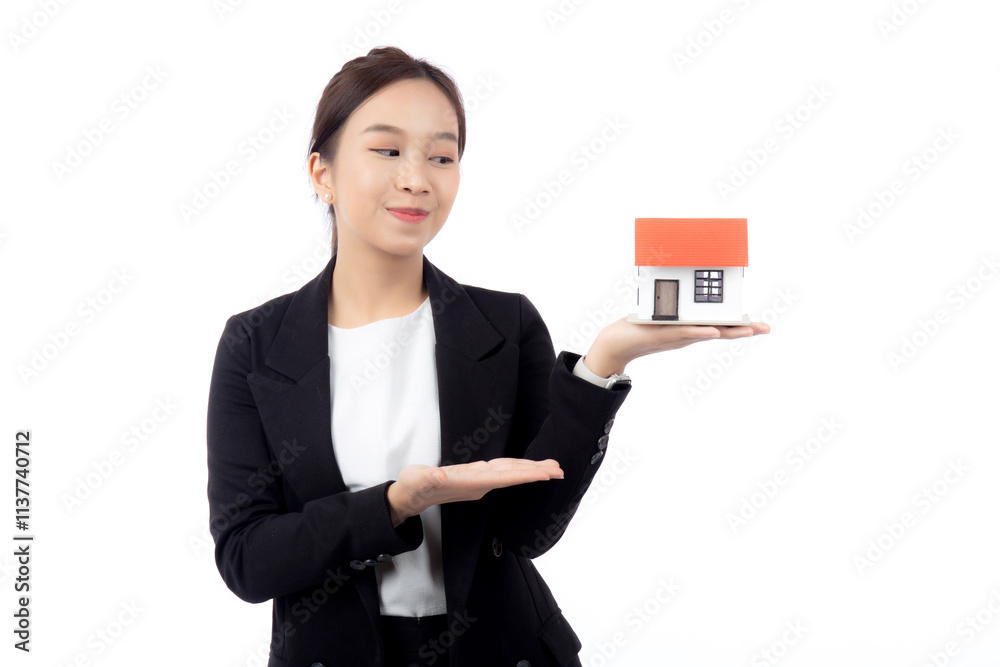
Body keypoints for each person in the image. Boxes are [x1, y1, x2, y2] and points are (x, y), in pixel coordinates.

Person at [205, 46, 768, 667]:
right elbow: (247, 559)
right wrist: (395, 504)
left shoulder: (505, 325)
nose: (417, 178)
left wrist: (604, 363)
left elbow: (531, 529)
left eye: (441, 156)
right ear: (323, 173)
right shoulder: (255, 344)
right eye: (387, 150)